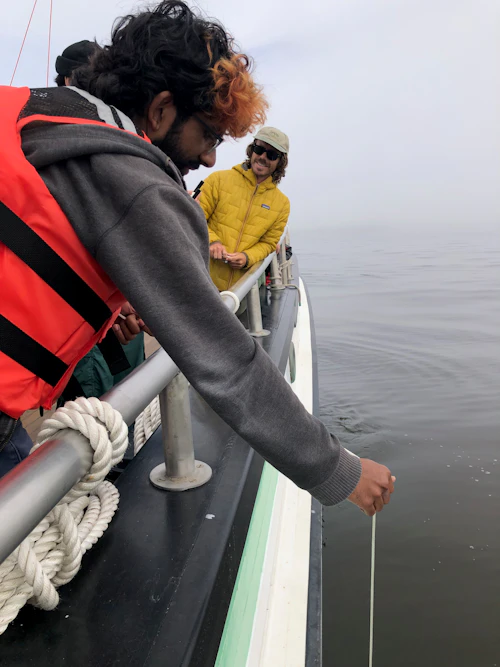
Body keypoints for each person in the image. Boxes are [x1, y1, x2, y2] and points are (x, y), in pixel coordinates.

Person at [0, 0, 394, 515]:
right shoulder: (138, 182)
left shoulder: (35, 113)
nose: (210, 157)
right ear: (162, 109)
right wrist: (338, 469)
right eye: (208, 134)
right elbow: (224, 363)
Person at [55, 40, 147, 411]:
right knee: (91, 414)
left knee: (131, 395)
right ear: (66, 81)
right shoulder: (54, 144)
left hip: (123, 312)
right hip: (82, 324)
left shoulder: (118, 139)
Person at [199, 126, 290, 291]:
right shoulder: (218, 180)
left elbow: (269, 243)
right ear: (252, 149)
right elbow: (194, 216)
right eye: (259, 149)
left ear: (280, 162)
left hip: (242, 292)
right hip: (201, 280)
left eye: (271, 155)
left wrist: (247, 258)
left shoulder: (282, 204)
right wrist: (212, 241)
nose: (262, 157)